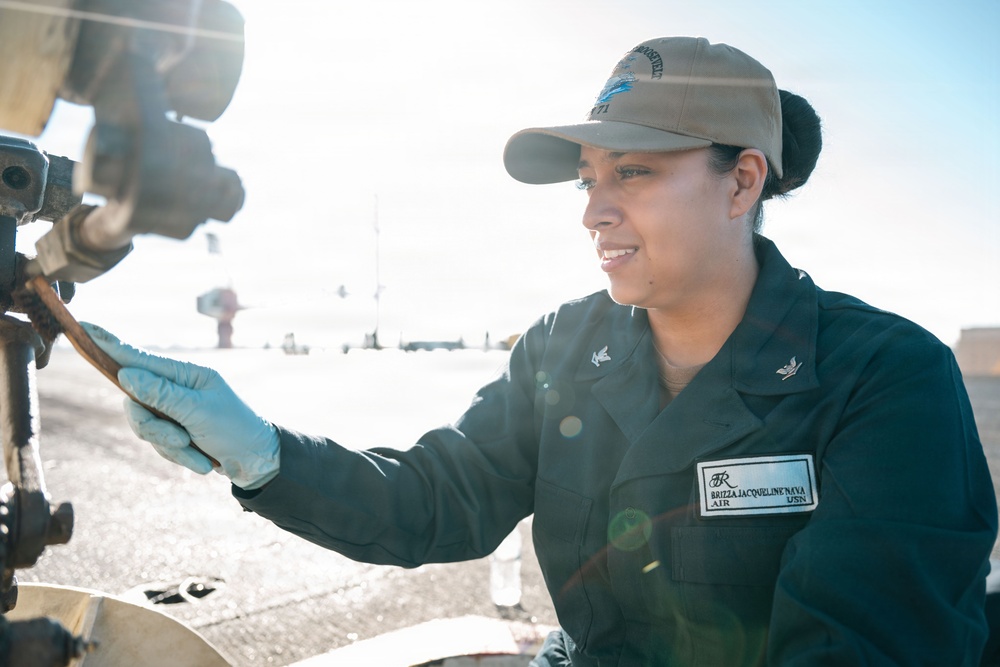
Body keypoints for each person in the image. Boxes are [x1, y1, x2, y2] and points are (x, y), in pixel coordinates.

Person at [83, 36, 997, 666]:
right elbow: (435, 501)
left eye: (633, 171)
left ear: (742, 179)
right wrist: (264, 455)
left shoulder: (886, 379)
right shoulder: (567, 345)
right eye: (592, 179)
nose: (595, 208)